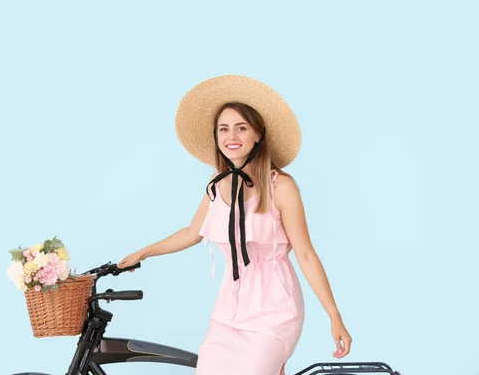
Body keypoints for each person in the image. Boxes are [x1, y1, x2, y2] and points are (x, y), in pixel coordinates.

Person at [118, 75, 352, 375]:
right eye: (224, 129)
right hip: (230, 308)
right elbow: (192, 233)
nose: (232, 136)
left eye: (242, 127)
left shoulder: (280, 186)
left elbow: (306, 254)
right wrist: (143, 252)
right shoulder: (217, 187)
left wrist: (334, 316)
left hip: (275, 307)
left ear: (258, 134)